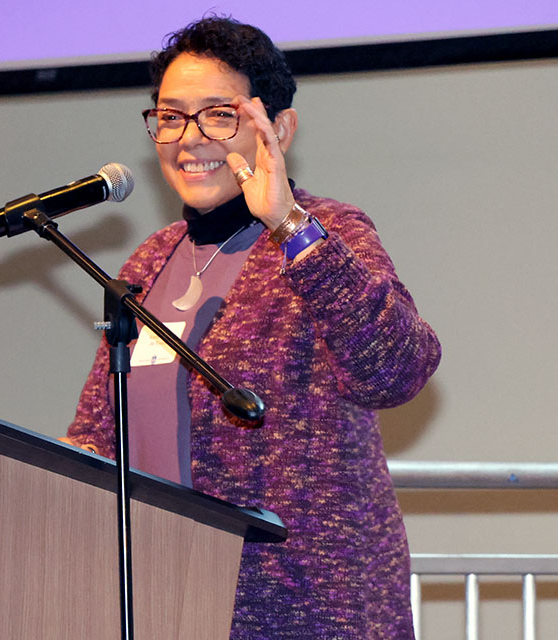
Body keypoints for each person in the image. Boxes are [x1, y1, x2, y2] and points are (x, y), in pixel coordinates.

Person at [65, 15, 440, 639]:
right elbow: (98, 433)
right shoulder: (148, 260)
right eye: (170, 115)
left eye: (218, 114)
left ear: (279, 127)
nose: (190, 138)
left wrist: (289, 226)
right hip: (164, 599)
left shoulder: (327, 232)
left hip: (305, 610)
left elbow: (398, 370)